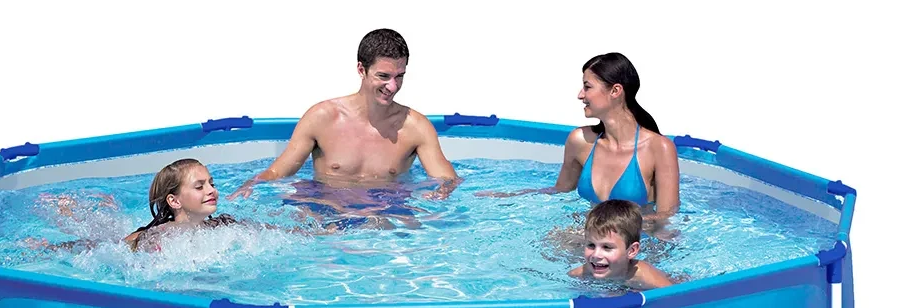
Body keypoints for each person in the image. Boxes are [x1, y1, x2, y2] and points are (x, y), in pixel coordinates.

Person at [227, 28, 461, 211]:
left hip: (383, 217)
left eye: (399, 76)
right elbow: (278, 172)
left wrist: (442, 192)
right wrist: (252, 184)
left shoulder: (415, 127)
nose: (393, 86)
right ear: (361, 69)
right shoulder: (322, 118)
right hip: (324, 212)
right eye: (383, 76)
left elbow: (448, 179)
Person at [477, 52, 679, 226]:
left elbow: (666, 216)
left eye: (587, 87)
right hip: (593, 239)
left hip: (639, 242)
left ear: (615, 91)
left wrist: (609, 229)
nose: (580, 95)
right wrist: (511, 196)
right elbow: (560, 189)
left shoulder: (658, 148)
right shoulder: (580, 141)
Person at [568, 199, 673, 289]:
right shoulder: (581, 274)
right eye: (591, 245)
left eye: (607, 247)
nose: (596, 255)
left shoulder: (643, 275)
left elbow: (674, 295)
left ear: (631, 251)